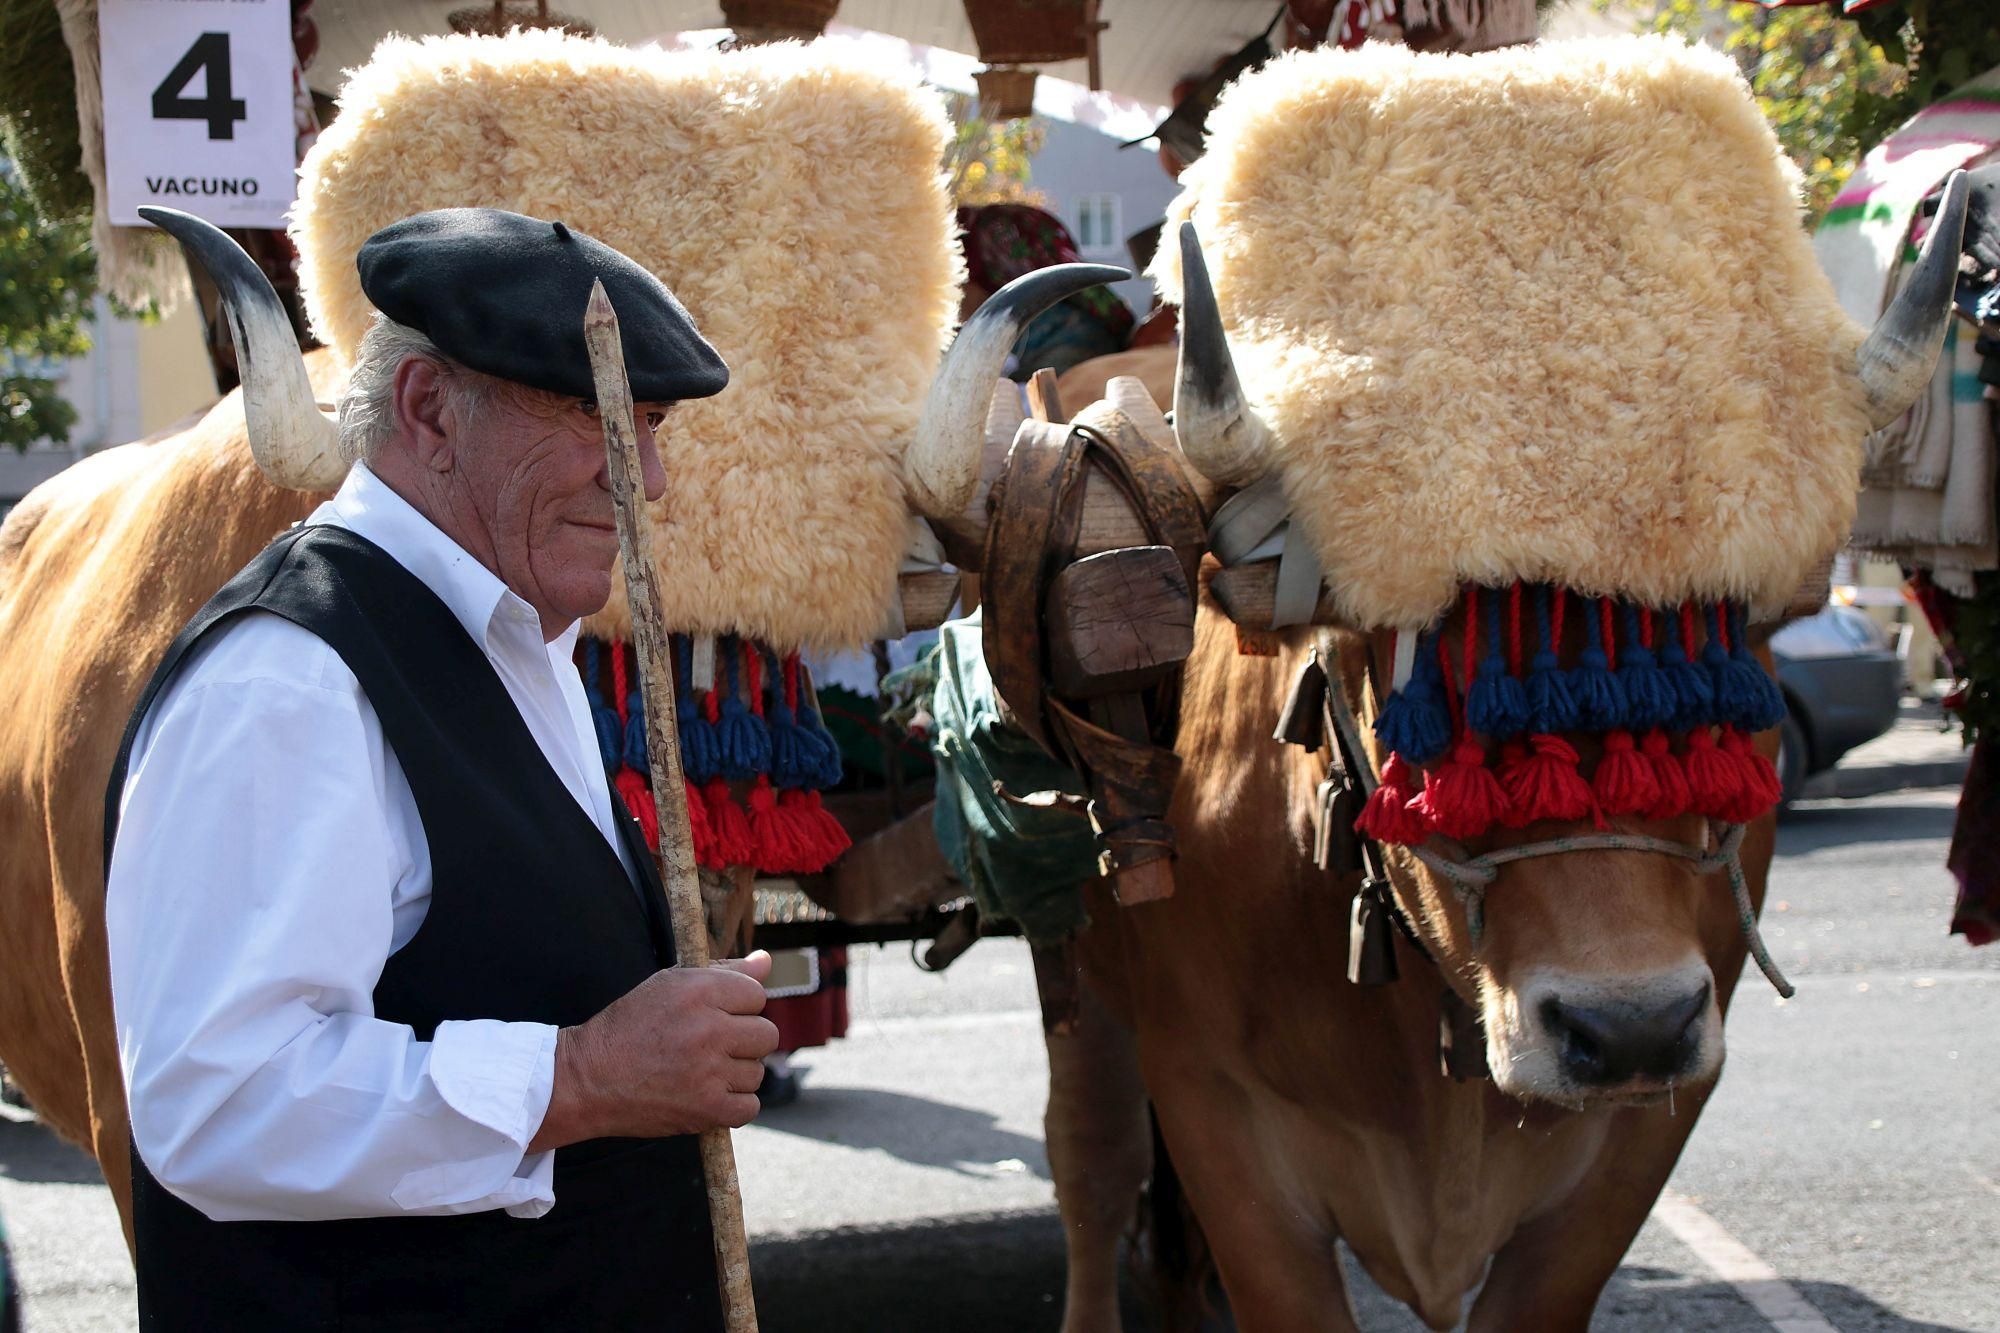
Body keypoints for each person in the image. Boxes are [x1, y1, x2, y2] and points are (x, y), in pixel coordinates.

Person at [104, 208, 778, 1331]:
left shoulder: (521, 637)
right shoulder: (288, 682)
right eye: (595, 414)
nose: (648, 479)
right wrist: (583, 1076)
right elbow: (214, 1102)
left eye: (651, 425)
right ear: (428, 411)